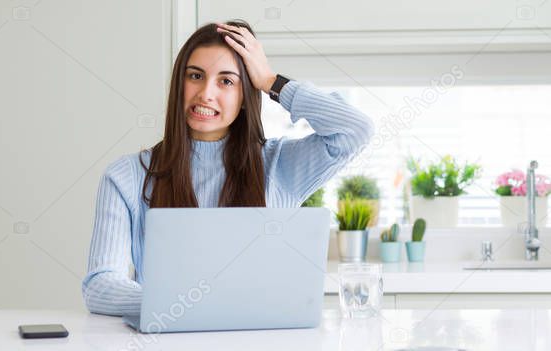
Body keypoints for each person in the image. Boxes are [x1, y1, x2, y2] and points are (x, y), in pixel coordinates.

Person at [81, 20, 374, 316]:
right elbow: (100, 286)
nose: (206, 93)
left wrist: (273, 82)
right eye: (195, 76)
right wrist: (186, 306)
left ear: (246, 96)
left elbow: (355, 130)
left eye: (226, 81)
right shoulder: (127, 176)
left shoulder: (280, 165)